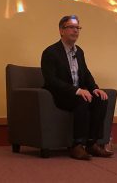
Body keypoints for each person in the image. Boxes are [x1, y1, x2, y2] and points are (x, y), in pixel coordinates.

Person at [41, 15, 113, 160]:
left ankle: (92, 144)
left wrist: (95, 88)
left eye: (78, 28)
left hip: (77, 93)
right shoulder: (50, 52)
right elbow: (51, 80)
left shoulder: (79, 51)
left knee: (101, 99)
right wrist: (77, 90)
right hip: (59, 95)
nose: (75, 31)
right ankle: (77, 145)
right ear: (61, 30)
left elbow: (85, 73)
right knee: (82, 100)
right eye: (71, 27)